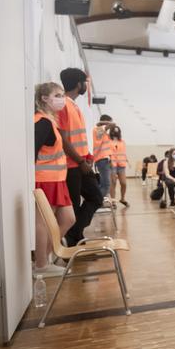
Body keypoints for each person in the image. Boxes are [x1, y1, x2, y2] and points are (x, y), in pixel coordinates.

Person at [33, 82, 74, 277]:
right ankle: (41, 265)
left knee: (68, 219)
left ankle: (45, 257)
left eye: (62, 94)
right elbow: (32, 151)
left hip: (58, 180)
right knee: (43, 223)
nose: (61, 98)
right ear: (44, 99)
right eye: (57, 95)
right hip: (45, 180)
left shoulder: (51, 122)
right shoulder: (42, 122)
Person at [58, 68, 102, 247]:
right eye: (85, 82)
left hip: (81, 163)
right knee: (75, 205)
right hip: (72, 166)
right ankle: (73, 243)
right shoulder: (63, 106)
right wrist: (80, 161)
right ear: (78, 84)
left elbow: (78, 138)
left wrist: (88, 156)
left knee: (96, 198)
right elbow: (63, 139)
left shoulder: (74, 105)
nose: (86, 86)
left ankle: (75, 233)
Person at [91, 114, 115, 198]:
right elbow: (113, 124)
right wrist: (103, 123)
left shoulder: (102, 132)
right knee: (106, 185)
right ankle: (96, 203)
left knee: (103, 184)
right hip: (102, 160)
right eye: (109, 121)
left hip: (104, 160)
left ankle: (98, 203)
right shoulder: (98, 130)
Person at [109, 126, 129, 207]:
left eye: (117, 131)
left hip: (121, 165)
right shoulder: (108, 141)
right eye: (114, 131)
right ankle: (113, 201)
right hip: (112, 164)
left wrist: (126, 160)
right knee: (113, 183)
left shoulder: (122, 142)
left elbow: (123, 152)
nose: (115, 132)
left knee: (123, 183)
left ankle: (122, 199)